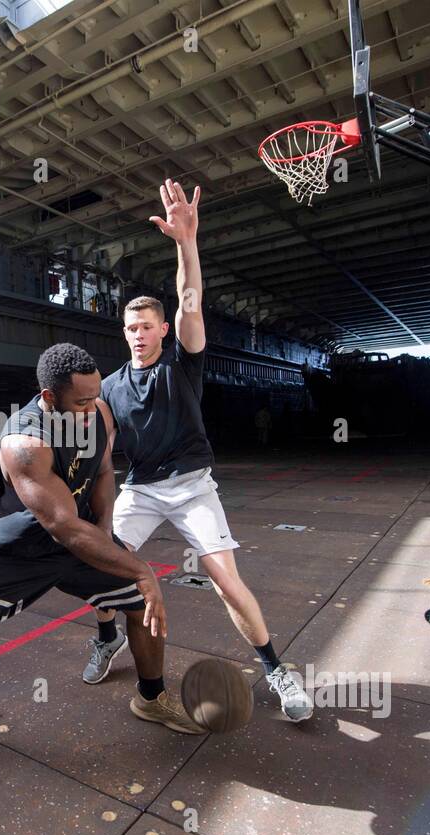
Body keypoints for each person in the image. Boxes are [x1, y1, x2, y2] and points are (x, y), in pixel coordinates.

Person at [0, 343, 204, 763]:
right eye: (83, 400)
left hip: (84, 537)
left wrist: (106, 532)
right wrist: (141, 569)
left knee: (139, 607)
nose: (94, 407)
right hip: (26, 546)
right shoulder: (24, 440)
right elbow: (61, 525)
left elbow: (105, 470)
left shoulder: (98, 412)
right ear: (49, 397)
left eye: (97, 395)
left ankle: (150, 698)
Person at [88, 179, 313, 721]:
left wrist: (185, 244)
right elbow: (104, 451)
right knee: (99, 564)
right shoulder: (111, 387)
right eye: (130, 329)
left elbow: (191, 299)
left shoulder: (183, 361)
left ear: (164, 329)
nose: (138, 334)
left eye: (146, 326)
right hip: (141, 490)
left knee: (226, 582)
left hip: (191, 488)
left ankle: (278, 673)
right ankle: (105, 638)